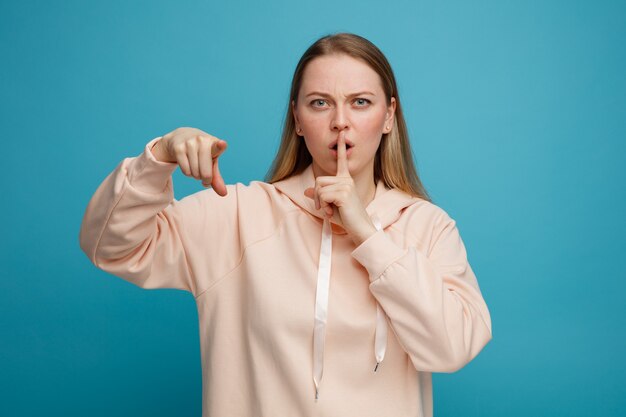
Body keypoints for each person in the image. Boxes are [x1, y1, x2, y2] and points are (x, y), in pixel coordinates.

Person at [79, 32, 492, 417]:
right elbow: (110, 246)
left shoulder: (428, 226)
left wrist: (367, 233)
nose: (340, 122)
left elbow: (453, 347)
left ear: (389, 116)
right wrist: (160, 156)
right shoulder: (238, 214)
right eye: (320, 102)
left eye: (361, 102)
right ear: (297, 119)